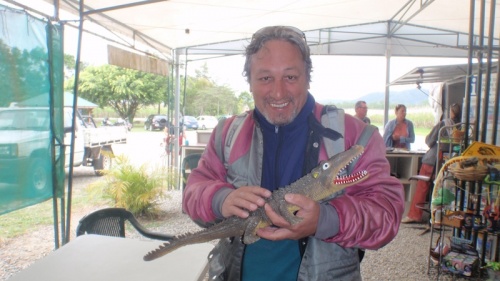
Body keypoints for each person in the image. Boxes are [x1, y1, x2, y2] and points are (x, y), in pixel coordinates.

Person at [182, 26, 404, 281]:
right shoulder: (227, 133)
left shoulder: (356, 135)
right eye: (265, 78)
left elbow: (387, 215)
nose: (278, 93)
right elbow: (192, 193)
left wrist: (326, 220)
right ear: (250, 81)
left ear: (308, 77)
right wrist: (219, 199)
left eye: (290, 77)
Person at [401, 103, 462, 223]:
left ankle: (414, 215)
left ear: (451, 112)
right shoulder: (461, 126)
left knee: (422, 187)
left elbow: (429, 141)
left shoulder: (444, 124)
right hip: (449, 162)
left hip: (433, 159)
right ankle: (440, 217)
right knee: (442, 188)